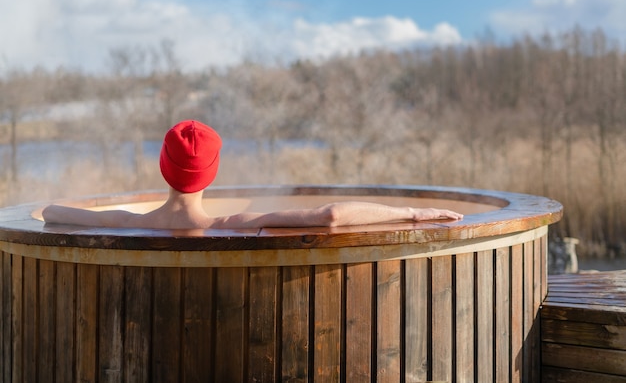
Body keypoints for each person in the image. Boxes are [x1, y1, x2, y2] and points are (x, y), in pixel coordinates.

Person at [42, 120, 463, 229]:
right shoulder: (227, 226)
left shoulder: (127, 223)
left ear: (164, 168)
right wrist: (412, 212)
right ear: (212, 173)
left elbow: (52, 212)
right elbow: (331, 216)